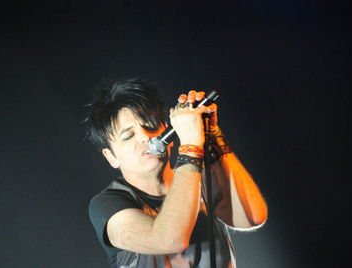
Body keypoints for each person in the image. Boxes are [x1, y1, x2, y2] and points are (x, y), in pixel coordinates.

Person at [85, 78, 267, 268]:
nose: (144, 137)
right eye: (128, 136)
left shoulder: (199, 180)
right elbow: (169, 239)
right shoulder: (107, 204)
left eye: (150, 125)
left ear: (168, 130)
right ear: (111, 156)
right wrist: (190, 147)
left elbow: (252, 216)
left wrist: (213, 136)